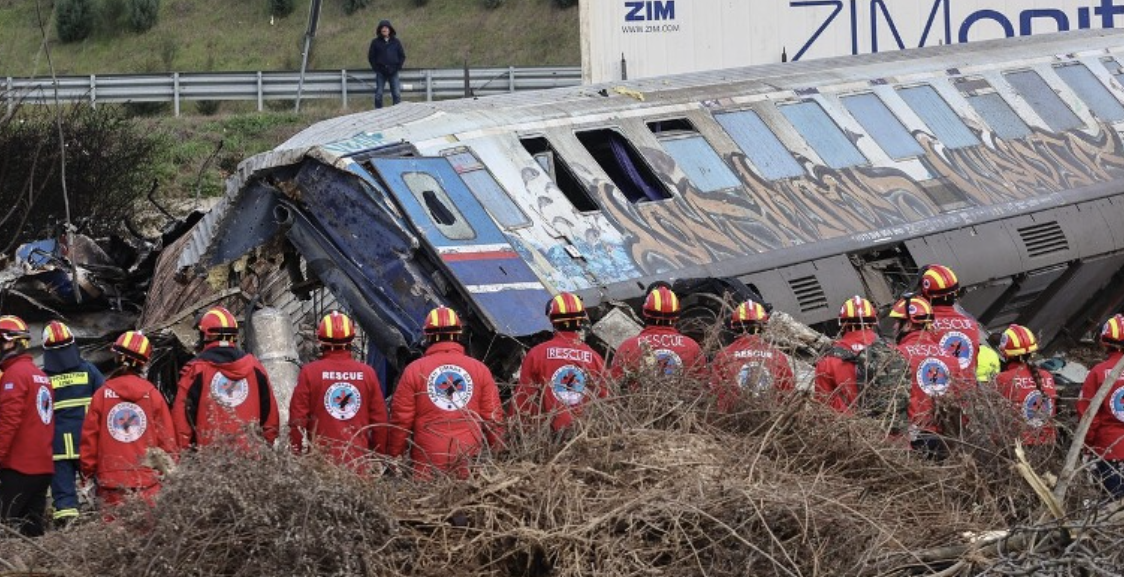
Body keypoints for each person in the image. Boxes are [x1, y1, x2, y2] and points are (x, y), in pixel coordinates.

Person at [387, 306, 503, 479]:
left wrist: (394, 453)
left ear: (428, 336)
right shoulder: (480, 370)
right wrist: (500, 452)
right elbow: (493, 418)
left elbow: (401, 419)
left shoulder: (414, 370)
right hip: (469, 463)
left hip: (427, 464)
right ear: (458, 334)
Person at [80, 331, 177, 509]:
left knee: (114, 534)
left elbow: (89, 441)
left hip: (110, 483)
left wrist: (87, 476)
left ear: (117, 357)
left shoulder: (102, 395)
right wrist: (169, 472)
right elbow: (167, 440)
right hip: (147, 482)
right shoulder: (153, 395)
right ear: (144, 363)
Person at [289, 311, 388, 470]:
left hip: (321, 466)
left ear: (320, 340)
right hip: (358, 465)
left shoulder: (310, 372)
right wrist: (379, 456)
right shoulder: (367, 374)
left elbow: (297, 420)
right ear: (351, 339)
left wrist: (297, 454)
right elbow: (380, 422)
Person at [172, 306, 279, 450]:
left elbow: (181, 424)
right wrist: (265, 450)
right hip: (252, 464)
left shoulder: (195, 371)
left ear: (206, 336)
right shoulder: (255, 367)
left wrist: (185, 459)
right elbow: (270, 419)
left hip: (210, 464)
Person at [510, 293, 607, 432]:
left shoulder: (536, 355)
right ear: (581, 320)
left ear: (552, 320)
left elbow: (524, 402)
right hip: (584, 437)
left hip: (547, 437)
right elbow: (606, 401)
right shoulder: (595, 358)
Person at [891, 295, 971, 459]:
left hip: (910, 441)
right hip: (944, 441)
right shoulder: (951, 358)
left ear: (908, 324)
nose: (893, 326)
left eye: (897, 322)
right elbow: (961, 401)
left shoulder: (896, 355)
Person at [41, 320, 105, 525]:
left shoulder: (43, 379)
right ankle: (104, 521)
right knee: (100, 484)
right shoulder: (89, 371)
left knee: (63, 494)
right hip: (86, 442)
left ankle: (68, 529)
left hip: (58, 447)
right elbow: (105, 401)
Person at [0, 315, 54, 536]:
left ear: (10, 342)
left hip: (19, 468)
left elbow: (8, 422)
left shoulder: (14, 376)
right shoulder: (40, 376)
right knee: (32, 533)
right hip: (42, 467)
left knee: (6, 529)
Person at [711, 300, 795, 411]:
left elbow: (715, 393)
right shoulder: (778, 357)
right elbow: (788, 394)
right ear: (764, 327)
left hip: (730, 421)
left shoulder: (723, 356)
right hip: (771, 419)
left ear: (734, 327)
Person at [609, 285, 704, 383]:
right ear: (676, 317)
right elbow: (702, 385)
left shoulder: (628, 348)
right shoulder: (692, 347)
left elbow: (614, 385)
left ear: (645, 313)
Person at [1077, 314, 1124, 499]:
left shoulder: (1098, 373)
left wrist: (1088, 447)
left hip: (1108, 452)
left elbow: (1087, 417)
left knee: (1111, 510)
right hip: (1108, 451)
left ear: (1105, 342)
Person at [813, 296, 880, 413]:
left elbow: (822, 407)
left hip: (846, 427)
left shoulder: (828, 360)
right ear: (873, 322)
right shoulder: (891, 352)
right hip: (886, 427)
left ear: (842, 325)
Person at [993, 324, 1056, 446]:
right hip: (1046, 445)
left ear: (1005, 352)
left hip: (1015, 445)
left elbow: (992, 415)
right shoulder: (1047, 376)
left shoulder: (1002, 379)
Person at [920, 264, 981, 378]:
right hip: (967, 392)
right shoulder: (972, 326)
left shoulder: (923, 326)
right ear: (955, 292)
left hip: (939, 391)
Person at [367, 19, 406, 109]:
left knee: (396, 94)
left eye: (386, 28)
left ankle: (397, 112)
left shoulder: (396, 42)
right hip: (381, 72)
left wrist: (398, 67)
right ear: (380, 30)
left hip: (393, 71)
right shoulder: (375, 42)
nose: (384, 30)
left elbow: (402, 56)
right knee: (378, 94)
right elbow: (371, 57)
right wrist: (376, 68)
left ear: (390, 29)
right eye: (382, 28)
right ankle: (378, 112)